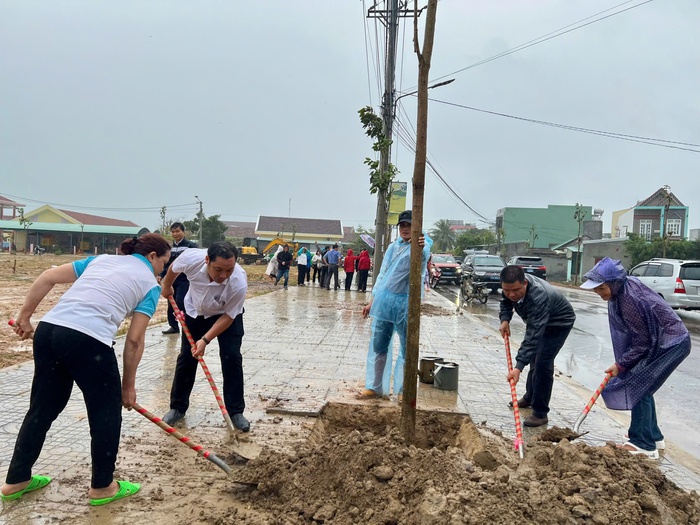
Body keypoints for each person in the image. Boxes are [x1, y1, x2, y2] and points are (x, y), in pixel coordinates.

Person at [1, 234, 171, 506]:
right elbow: (135, 339)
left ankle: (16, 480)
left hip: (49, 331)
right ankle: (103, 487)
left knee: (42, 408)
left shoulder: (101, 260)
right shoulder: (150, 284)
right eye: (164, 262)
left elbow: (48, 276)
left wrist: (25, 316)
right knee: (105, 412)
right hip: (88, 339)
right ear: (152, 256)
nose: (163, 269)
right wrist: (127, 387)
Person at [580, 257, 691, 459]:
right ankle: (653, 436)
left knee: (639, 385)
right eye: (596, 290)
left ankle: (644, 444)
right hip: (666, 340)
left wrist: (621, 364)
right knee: (643, 384)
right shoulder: (623, 288)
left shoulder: (629, 299)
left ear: (613, 282)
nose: (599, 293)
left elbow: (642, 343)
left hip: (671, 342)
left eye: (601, 288)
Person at [160, 242, 250, 431]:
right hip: (195, 312)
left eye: (229, 270)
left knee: (231, 357)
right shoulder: (190, 258)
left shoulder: (239, 282)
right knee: (187, 357)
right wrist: (167, 285)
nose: (223, 275)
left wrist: (205, 340)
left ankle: (235, 412)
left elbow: (229, 316)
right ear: (207, 260)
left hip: (226, 316)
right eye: (218, 269)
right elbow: (173, 269)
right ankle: (177, 408)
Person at [359, 210, 432, 398]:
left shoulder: (420, 245)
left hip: (405, 304)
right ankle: (375, 387)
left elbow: (423, 257)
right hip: (384, 302)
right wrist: (372, 302)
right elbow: (382, 275)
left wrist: (421, 246)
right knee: (379, 346)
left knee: (407, 349)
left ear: (417, 228)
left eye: (409, 225)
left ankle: (403, 391)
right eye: (403, 225)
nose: (406, 229)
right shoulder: (392, 247)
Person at [499, 265, 576, 427]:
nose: (511, 294)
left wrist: (518, 367)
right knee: (534, 358)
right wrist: (505, 319)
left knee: (542, 364)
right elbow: (506, 302)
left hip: (559, 323)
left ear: (525, 283)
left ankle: (540, 413)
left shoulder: (538, 297)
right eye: (507, 290)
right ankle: (529, 397)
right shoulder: (510, 288)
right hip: (541, 320)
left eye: (516, 290)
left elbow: (532, 336)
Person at [161, 222, 198, 335]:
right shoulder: (170, 247)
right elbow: (166, 263)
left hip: (185, 279)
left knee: (181, 302)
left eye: (177, 231)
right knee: (171, 303)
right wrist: (161, 275)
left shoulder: (191, 246)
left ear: (183, 232)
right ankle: (173, 326)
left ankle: (187, 324)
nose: (175, 234)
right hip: (172, 280)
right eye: (173, 232)